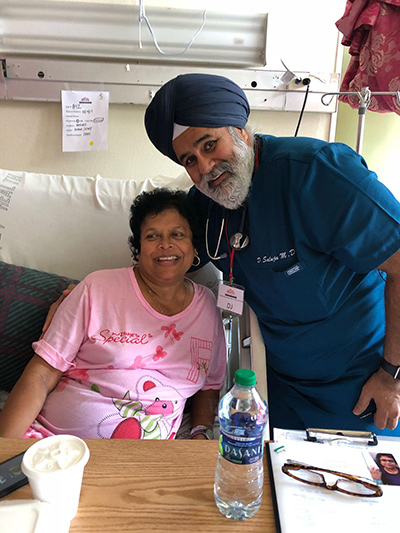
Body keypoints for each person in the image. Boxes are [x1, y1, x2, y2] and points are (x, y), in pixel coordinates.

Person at [144, 73, 400, 436]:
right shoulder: (205, 205)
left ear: (240, 131)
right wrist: (95, 294)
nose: (204, 168)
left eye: (209, 145)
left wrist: (391, 375)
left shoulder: (317, 173)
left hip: (363, 385)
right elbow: (166, 263)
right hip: (277, 386)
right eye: (189, 159)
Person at [0, 188, 226, 440]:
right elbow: (41, 374)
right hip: (53, 442)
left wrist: (200, 433)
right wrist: (5, 449)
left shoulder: (207, 307)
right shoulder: (96, 288)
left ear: (194, 247)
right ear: (138, 250)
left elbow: (210, 385)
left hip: (145, 459)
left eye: (177, 234)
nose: (165, 244)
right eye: (152, 236)